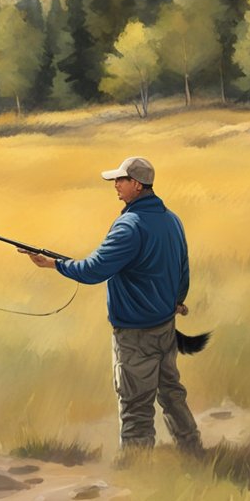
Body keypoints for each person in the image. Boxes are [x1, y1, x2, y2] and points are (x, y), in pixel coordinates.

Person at [20, 156, 203, 454]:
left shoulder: (129, 226)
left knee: (135, 405)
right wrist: (176, 302)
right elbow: (183, 271)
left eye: (121, 180)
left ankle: (135, 470)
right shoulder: (172, 220)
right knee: (172, 394)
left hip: (134, 334)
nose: (115, 185)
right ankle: (194, 452)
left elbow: (93, 270)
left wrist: (55, 264)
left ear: (138, 185)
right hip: (165, 326)